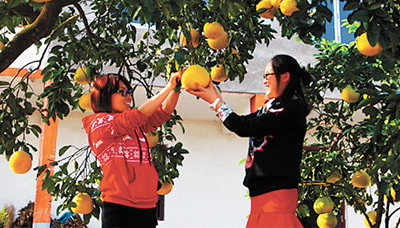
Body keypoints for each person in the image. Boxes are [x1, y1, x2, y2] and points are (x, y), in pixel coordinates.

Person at [185, 54, 311, 228]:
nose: (264, 80)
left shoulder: (289, 109)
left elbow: (242, 127)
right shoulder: (273, 108)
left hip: (276, 197)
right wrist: (211, 90)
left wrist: (214, 102)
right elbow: (241, 122)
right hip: (263, 199)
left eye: (268, 75)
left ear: (285, 76)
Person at [82, 71, 182, 228]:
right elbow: (137, 116)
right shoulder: (100, 123)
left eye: (129, 92)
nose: (128, 97)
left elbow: (163, 113)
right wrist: (168, 86)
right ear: (104, 94)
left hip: (147, 206)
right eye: (122, 92)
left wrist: (175, 89)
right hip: (119, 206)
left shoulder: (135, 126)